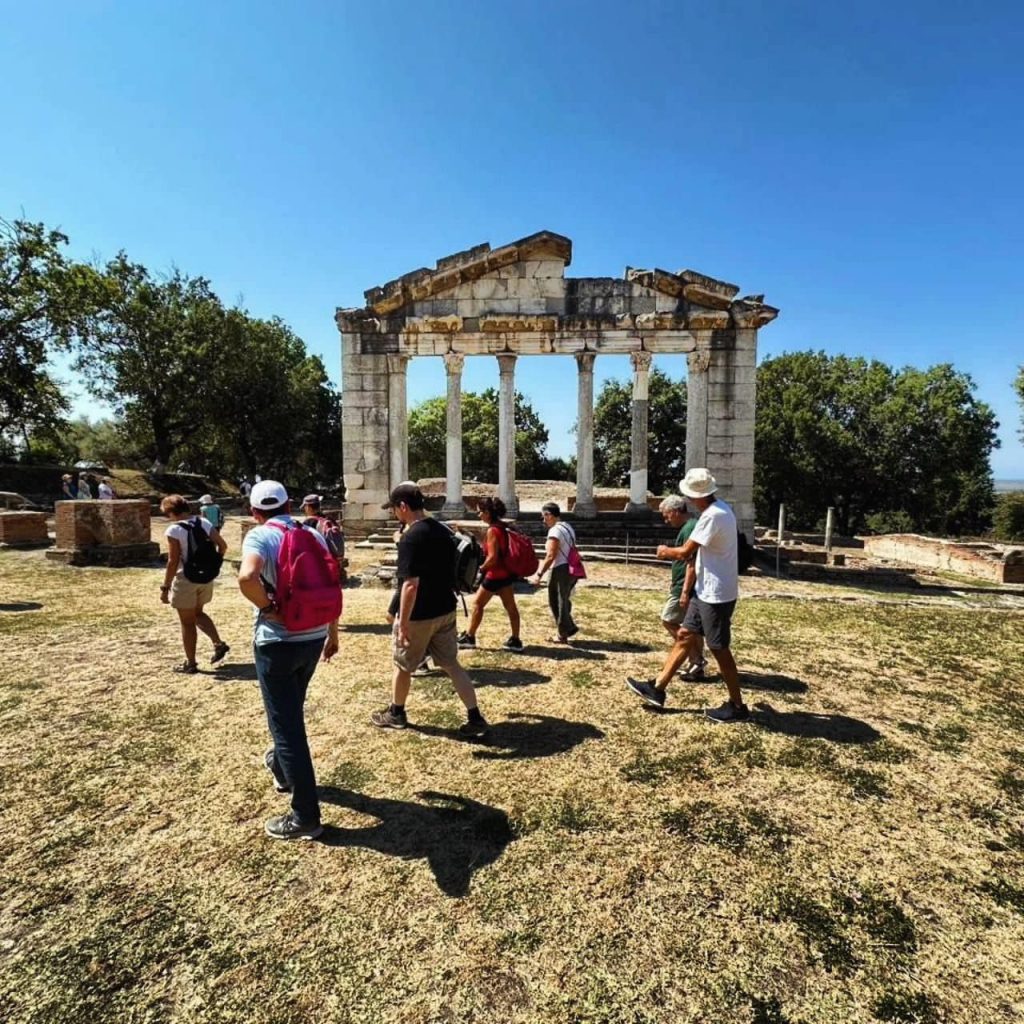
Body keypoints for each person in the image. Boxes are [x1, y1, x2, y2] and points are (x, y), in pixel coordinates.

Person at [238, 480, 340, 841]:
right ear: (289, 505)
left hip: (277, 641)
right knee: (291, 711)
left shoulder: (259, 537)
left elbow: (247, 577)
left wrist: (268, 608)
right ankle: (281, 766)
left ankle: (305, 816)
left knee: (286, 727)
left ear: (255, 512)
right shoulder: (313, 534)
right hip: (313, 635)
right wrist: (333, 633)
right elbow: (329, 581)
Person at [627, 468, 748, 723]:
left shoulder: (712, 516)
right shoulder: (721, 509)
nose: (689, 500)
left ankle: (737, 706)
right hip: (704, 589)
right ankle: (657, 689)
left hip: (716, 593)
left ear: (697, 496)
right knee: (683, 635)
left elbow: (685, 552)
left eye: (690, 496)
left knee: (719, 648)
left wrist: (663, 551)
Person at [371, 482, 488, 737]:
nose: (394, 514)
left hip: (419, 615)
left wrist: (403, 622)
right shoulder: (442, 529)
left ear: (403, 506)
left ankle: (396, 712)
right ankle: (475, 716)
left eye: (394, 509)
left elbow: (410, 585)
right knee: (451, 665)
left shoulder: (412, 538)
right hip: (445, 609)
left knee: (402, 666)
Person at [159, 494, 230, 674]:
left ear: (171, 512)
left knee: (187, 622)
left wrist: (165, 587)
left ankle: (190, 663)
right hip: (205, 577)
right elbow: (223, 546)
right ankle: (218, 644)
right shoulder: (204, 523)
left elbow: (173, 561)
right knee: (198, 613)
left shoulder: (174, 530)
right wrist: (214, 564)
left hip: (186, 578)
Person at [457, 496, 523, 651]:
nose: (478, 515)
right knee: (511, 607)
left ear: (487, 512)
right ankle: (516, 639)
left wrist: (480, 569)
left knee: (477, 604)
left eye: (480, 512)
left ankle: (470, 637)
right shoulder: (502, 527)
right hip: (505, 574)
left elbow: (492, 557)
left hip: (494, 575)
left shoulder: (493, 530)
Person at [655, 494, 706, 680]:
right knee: (691, 627)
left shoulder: (690, 528)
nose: (665, 519)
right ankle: (696, 665)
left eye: (666, 514)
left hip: (683, 587)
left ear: (675, 511)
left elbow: (691, 562)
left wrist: (684, 590)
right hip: (686, 586)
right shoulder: (690, 527)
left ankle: (696, 659)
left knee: (668, 619)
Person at [527, 501, 579, 643]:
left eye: (544, 517)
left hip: (560, 568)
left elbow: (551, 555)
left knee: (556, 601)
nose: (543, 520)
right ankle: (567, 629)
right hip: (571, 567)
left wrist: (539, 574)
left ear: (550, 515)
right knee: (563, 599)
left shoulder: (555, 531)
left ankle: (564, 632)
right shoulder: (567, 527)